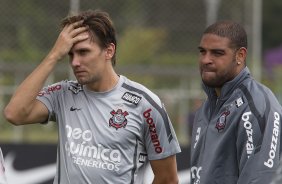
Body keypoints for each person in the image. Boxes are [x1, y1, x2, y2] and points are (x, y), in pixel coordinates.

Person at [4, 9, 181, 184]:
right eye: (70, 54)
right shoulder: (62, 94)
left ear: (109, 51)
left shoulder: (145, 105)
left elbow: (168, 179)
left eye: (83, 52)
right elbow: (14, 113)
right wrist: (54, 55)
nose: (75, 62)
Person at [190, 20, 282, 184]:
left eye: (217, 53)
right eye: (202, 52)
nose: (206, 60)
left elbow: (261, 178)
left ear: (240, 55)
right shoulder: (206, 109)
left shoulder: (256, 108)